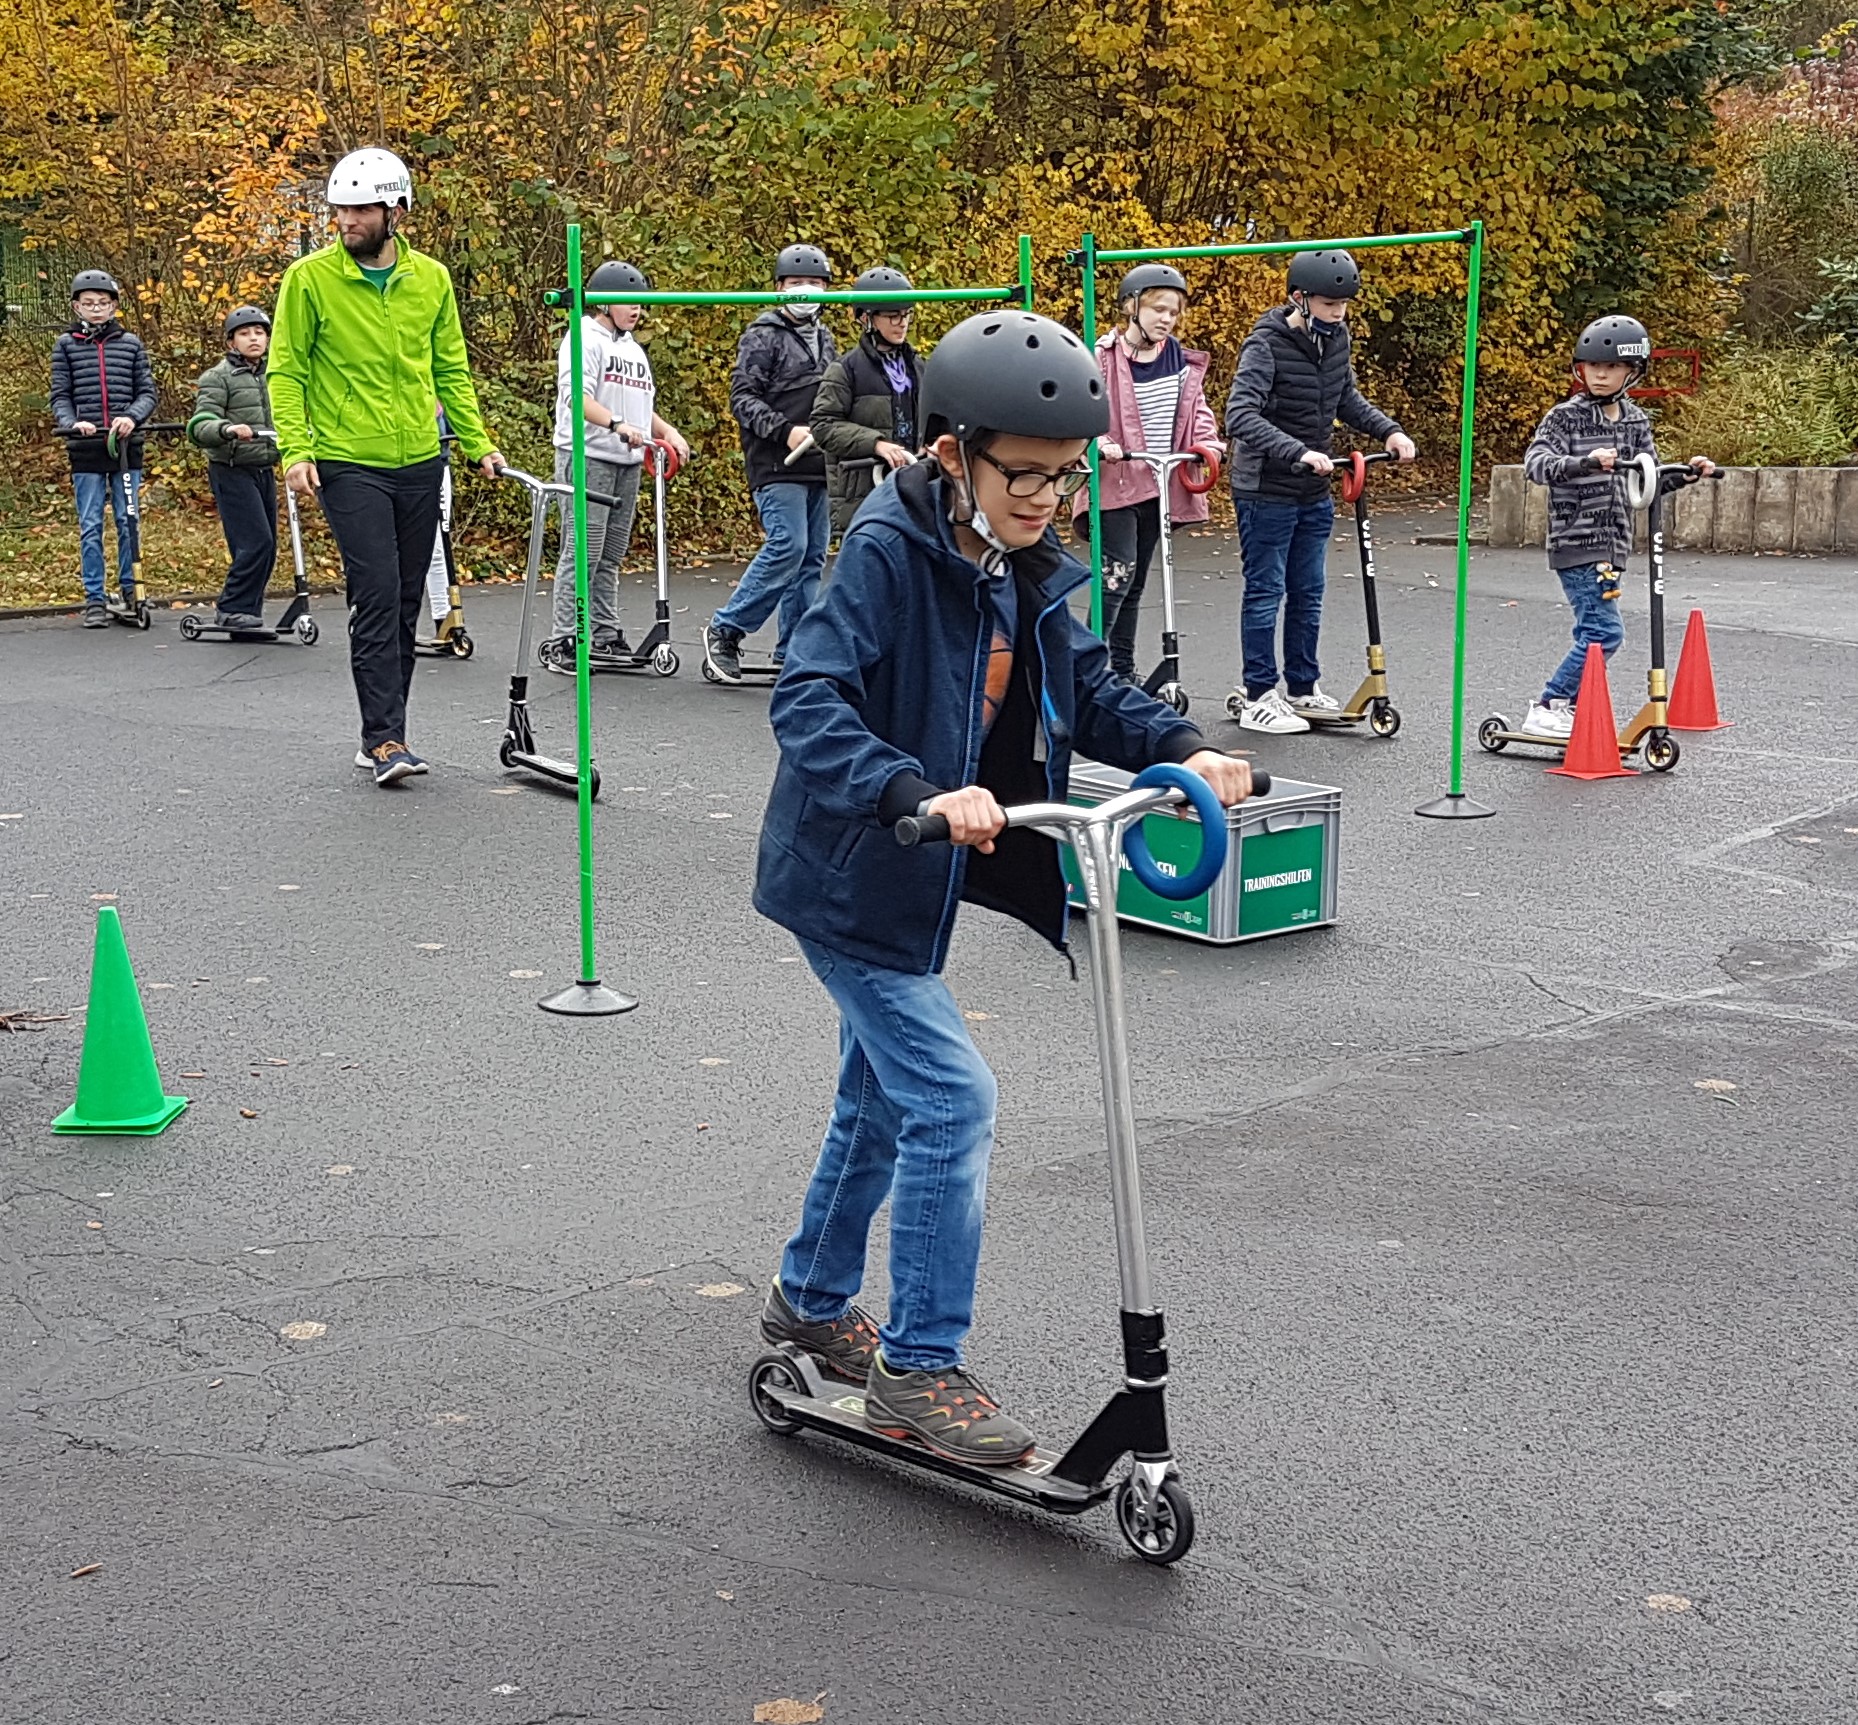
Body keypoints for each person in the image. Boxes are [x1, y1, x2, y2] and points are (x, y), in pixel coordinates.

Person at [751, 310, 1256, 1463]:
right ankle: (917, 1372)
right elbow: (807, 699)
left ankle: (811, 1301)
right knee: (952, 1100)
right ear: (951, 457)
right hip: (853, 872)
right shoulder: (885, 548)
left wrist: (1182, 748)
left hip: (919, 877)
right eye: (1022, 477)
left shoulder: (1015, 558)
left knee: (880, 1100)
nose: (1045, 501)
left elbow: (1086, 679)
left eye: (1064, 480)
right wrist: (910, 789)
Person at [269, 146, 503, 786]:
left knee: (405, 597)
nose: (346, 220)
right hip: (348, 461)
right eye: (340, 208)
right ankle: (384, 740)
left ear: (395, 209)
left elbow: (451, 368)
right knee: (375, 591)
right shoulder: (311, 280)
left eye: (360, 209)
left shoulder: (430, 278)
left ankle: (388, 728)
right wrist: (296, 450)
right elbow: (285, 370)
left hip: (420, 460)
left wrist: (478, 443)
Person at [1224, 249, 1415, 734]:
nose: (1339, 313)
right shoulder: (1264, 346)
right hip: (1265, 487)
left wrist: (1389, 431)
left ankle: (1303, 688)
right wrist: (1297, 452)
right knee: (1266, 591)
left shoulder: (1336, 339)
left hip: (1313, 488)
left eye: (1344, 304)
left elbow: (1344, 397)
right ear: (1300, 299)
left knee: (1308, 591)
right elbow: (1240, 416)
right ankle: (1258, 694)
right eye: (1330, 304)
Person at [1519, 316, 1716, 737]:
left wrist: (1688, 473)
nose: (1601, 375)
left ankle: (1564, 706)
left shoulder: (1635, 422)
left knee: (1596, 630)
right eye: (1592, 366)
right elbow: (1535, 465)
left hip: (1614, 545)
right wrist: (1584, 463)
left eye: (1610, 367)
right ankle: (1549, 704)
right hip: (1576, 539)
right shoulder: (1564, 418)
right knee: (1603, 631)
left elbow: (1647, 481)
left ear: (1633, 371)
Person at [1076, 263, 1224, 683]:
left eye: (1173, 312)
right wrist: (1099, 441)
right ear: (1131, 307)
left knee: (1136, 583)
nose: (1165, 319)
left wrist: (1208, 447)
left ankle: (1122, 674)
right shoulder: (1102, 357)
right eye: (1158, 309)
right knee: (1114, 578)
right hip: (1116, 484)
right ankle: (1083, 675)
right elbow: (1084, 409)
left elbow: (1197, 413)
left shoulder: (1179, 359)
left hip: (1158, 485)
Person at [540, 260, 690, 673]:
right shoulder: (584, 338)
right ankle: (565, 637)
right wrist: (616, 425)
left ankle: (604, 631)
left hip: (627, 462)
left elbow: (642, 408)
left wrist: (667, 431)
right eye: (629, 301)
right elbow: (576, 397)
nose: (637, 309)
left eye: (641, 302)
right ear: (604, 302)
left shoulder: (633, 350)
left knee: (611, 554)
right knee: (583, 551)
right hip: (588, 455)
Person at [703, 244, 838, 681]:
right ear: (780, 288)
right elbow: (742, 398)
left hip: (817, 463)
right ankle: (726, 628)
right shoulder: (763, 335)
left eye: (816, 284)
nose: (807, 291)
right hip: (777, 462)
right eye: (798, 284)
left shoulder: (827, 337)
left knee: (812, 555)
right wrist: (785, 430)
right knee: (789, 544)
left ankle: (795, 647)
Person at [48, 269, 157, 629]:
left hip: (126, 447)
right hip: (87, 448)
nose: (96, 309)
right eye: (89, 303)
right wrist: (72, 423)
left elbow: (147, 394)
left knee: (129, 520)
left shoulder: (131, 344)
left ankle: (131, 588)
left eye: (104, 303)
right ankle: (94, 596)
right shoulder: (66, 345)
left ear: (114, 307)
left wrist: (132, 416)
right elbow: (60, 396)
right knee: (91, 523)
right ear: (77, 306)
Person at [810, 265, 920, 538]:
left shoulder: (919, 367)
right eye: (893, 315)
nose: (902, 322)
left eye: (907, 314)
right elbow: (823, 425)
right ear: (866, 318)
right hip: (864, 491)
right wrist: (876, 443)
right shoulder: (845, 370)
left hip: (914, 485)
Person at [186, 305, 278, 631]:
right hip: (232, 467)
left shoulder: (277, 374)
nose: (253, 339)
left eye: (259, 333)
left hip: (264, 467)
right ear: (231, 342)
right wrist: (226, 429)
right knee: (255, 542)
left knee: (269, 546)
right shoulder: (218, 377)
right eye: (244, 334)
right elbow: (201, 423)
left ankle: (248, 613)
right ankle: (231, 608)